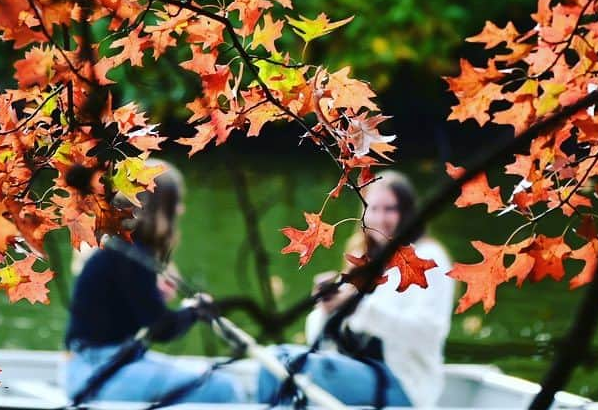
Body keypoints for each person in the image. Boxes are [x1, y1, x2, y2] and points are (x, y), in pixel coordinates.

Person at [258, 171, 454, 408]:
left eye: (390, 209)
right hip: (356, 369)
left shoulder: (428, 258)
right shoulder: (365, 261)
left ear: (407, 212)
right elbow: (318, 340)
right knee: (273, 359)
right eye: (373, 209)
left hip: (403, 383)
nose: (381, 218)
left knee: (291, 366)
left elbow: (428, 333)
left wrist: (356, 307)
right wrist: (328, 308)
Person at [62, 160, 243, 404]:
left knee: (217, 380)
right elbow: (162, 328)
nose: (180, 211)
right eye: (175, 203)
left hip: (92, 367)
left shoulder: (118, 248)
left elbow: (123, 314)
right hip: (98, 376)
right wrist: (194, 311)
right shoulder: (132, 256)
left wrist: (156, 297)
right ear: (159, 207)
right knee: (224, 389)